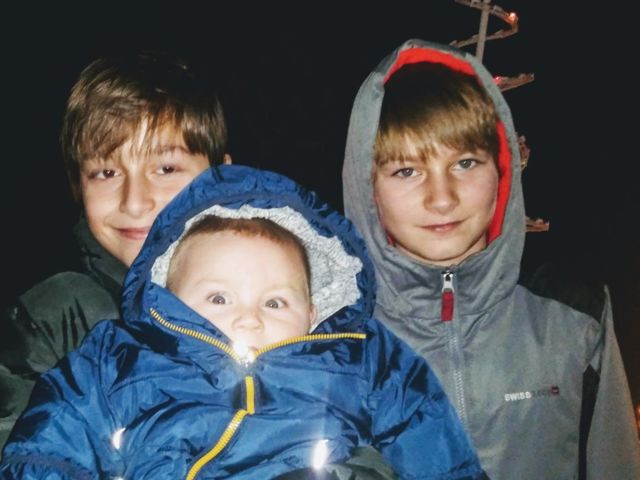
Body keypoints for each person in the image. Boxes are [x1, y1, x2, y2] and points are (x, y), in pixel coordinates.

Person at [0, 164, 488, 479]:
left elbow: (429, 433)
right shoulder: (123, 357)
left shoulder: (357, 357)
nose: (249, 319)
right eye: (219, 297)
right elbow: (54, 440)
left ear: (313, 311)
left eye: (275, 302)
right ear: (170, 299)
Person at [342, 39, 640, 478]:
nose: (442, 198)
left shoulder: (573, 321)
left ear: (502, 171)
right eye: (407, 171)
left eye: (465, 163)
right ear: (368, 189)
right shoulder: (334, 343)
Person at [0, 50, 230, 450]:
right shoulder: (51, 322)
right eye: (106, 172)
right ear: (78, 185)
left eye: (166, 169)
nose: (134, 202)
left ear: (223, 177)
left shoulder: (278, 299)